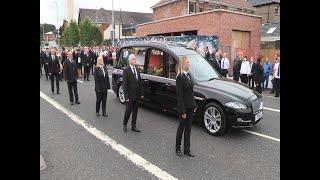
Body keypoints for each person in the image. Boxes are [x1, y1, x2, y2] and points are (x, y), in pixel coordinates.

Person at [175, 56, 196, 157]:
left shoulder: (189, 75)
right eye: (187, 62)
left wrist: (194, 105)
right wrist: (182, 111)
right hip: (184, 108)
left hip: (190, 106)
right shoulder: (180, 77)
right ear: (183, 64)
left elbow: (191, 92)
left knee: (188, 129)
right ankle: (177, 148)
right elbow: (180, 96)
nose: (189, 64)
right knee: (181, 128)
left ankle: (187, 149)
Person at [122, 53, 144, 133]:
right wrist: (126, 97)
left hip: (137, 95)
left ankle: (133, 126)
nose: (135, 60)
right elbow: (124, 85)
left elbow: (139, 83)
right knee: (128, 111)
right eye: (134, 59)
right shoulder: (126, 70)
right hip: (130, 96)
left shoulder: (137, 69)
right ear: (130, 60)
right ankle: (124, 124)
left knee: (135, 111)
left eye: (135, 59)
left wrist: (141, 93)